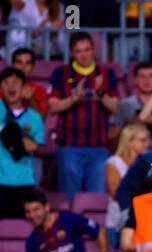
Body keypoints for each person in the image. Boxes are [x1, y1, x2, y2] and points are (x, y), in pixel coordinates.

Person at [48, 32, 120, 203]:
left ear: (93, 50)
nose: (84, 54)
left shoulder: (106, 73)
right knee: (71, 200)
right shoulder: (60, 73)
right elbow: (52, 107)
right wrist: (74, 98)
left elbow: (115, 107)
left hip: (99, 148)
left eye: (87, 49)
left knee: (97, 200)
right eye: (79, 51)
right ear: (72, 53)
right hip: (68, 148)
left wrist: (101, 93)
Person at [0, 67, 44, 219]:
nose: (11, 86)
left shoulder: (34, 117)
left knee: (22, 231)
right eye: (6, 82)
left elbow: (42, 150)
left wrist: (35, 147)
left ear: (24, 87)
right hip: (1, 183)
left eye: (16, 82)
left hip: (24, 183)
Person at [105, 125, 151, 250]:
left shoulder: (148, 163)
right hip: (118, 219)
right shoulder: (115, 162)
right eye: (143, 140)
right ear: (129, 142)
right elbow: (115, 192)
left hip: (143, 217)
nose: (147, 144)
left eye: (148, 140)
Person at [109, 62, 152, 142]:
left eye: (151, 76)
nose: (147, 80)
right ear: (135, 80)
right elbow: (111, 135)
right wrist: (130, 127)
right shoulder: (124, 105)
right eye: (142, 76)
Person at [0, 48, 48, 119]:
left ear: (33, 67)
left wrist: (31, 100)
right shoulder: (2, 88)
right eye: (19, 62)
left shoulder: (39, 90)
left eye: (28, 63)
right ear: (13, 64)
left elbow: (41, 120)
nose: (23, 67)